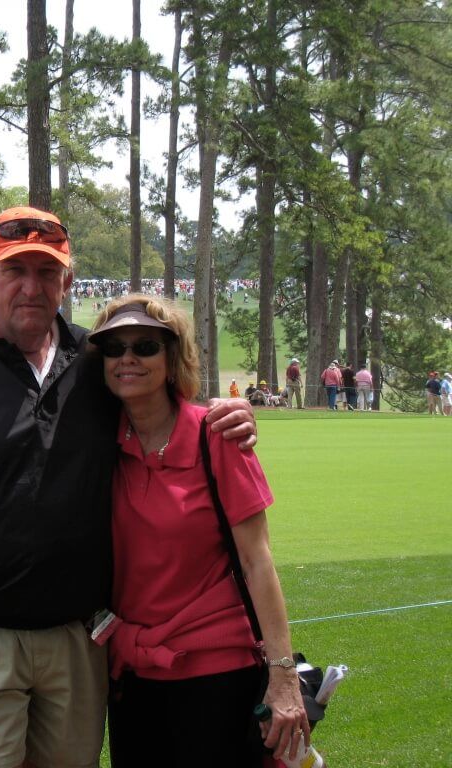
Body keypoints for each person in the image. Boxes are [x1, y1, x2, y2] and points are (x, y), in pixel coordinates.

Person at [0, 206, 256, 768]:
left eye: (47, 273)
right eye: (14, 270)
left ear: (67, 283)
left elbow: (163, 413)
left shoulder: (95, 360)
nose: (30, 286)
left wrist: (228, 415)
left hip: (76, 642)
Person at [90, 296, 307, 767]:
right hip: (133, 676)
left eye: (146, 345)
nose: (127, 358)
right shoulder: (95, 443)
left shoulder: (217, 436)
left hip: (217, 671)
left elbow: (257, 559)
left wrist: (283, 674)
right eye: (113, 348)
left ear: (172, 359)